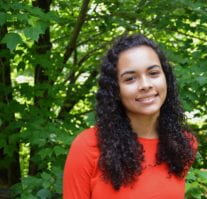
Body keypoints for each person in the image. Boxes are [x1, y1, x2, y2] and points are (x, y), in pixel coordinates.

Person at [63, 34, 198, 199]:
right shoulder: (88, 146)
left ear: (166, 78)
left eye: (153, 73)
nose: (145, 85)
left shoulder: (182, 144)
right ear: (116, 90)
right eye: (130, 79)